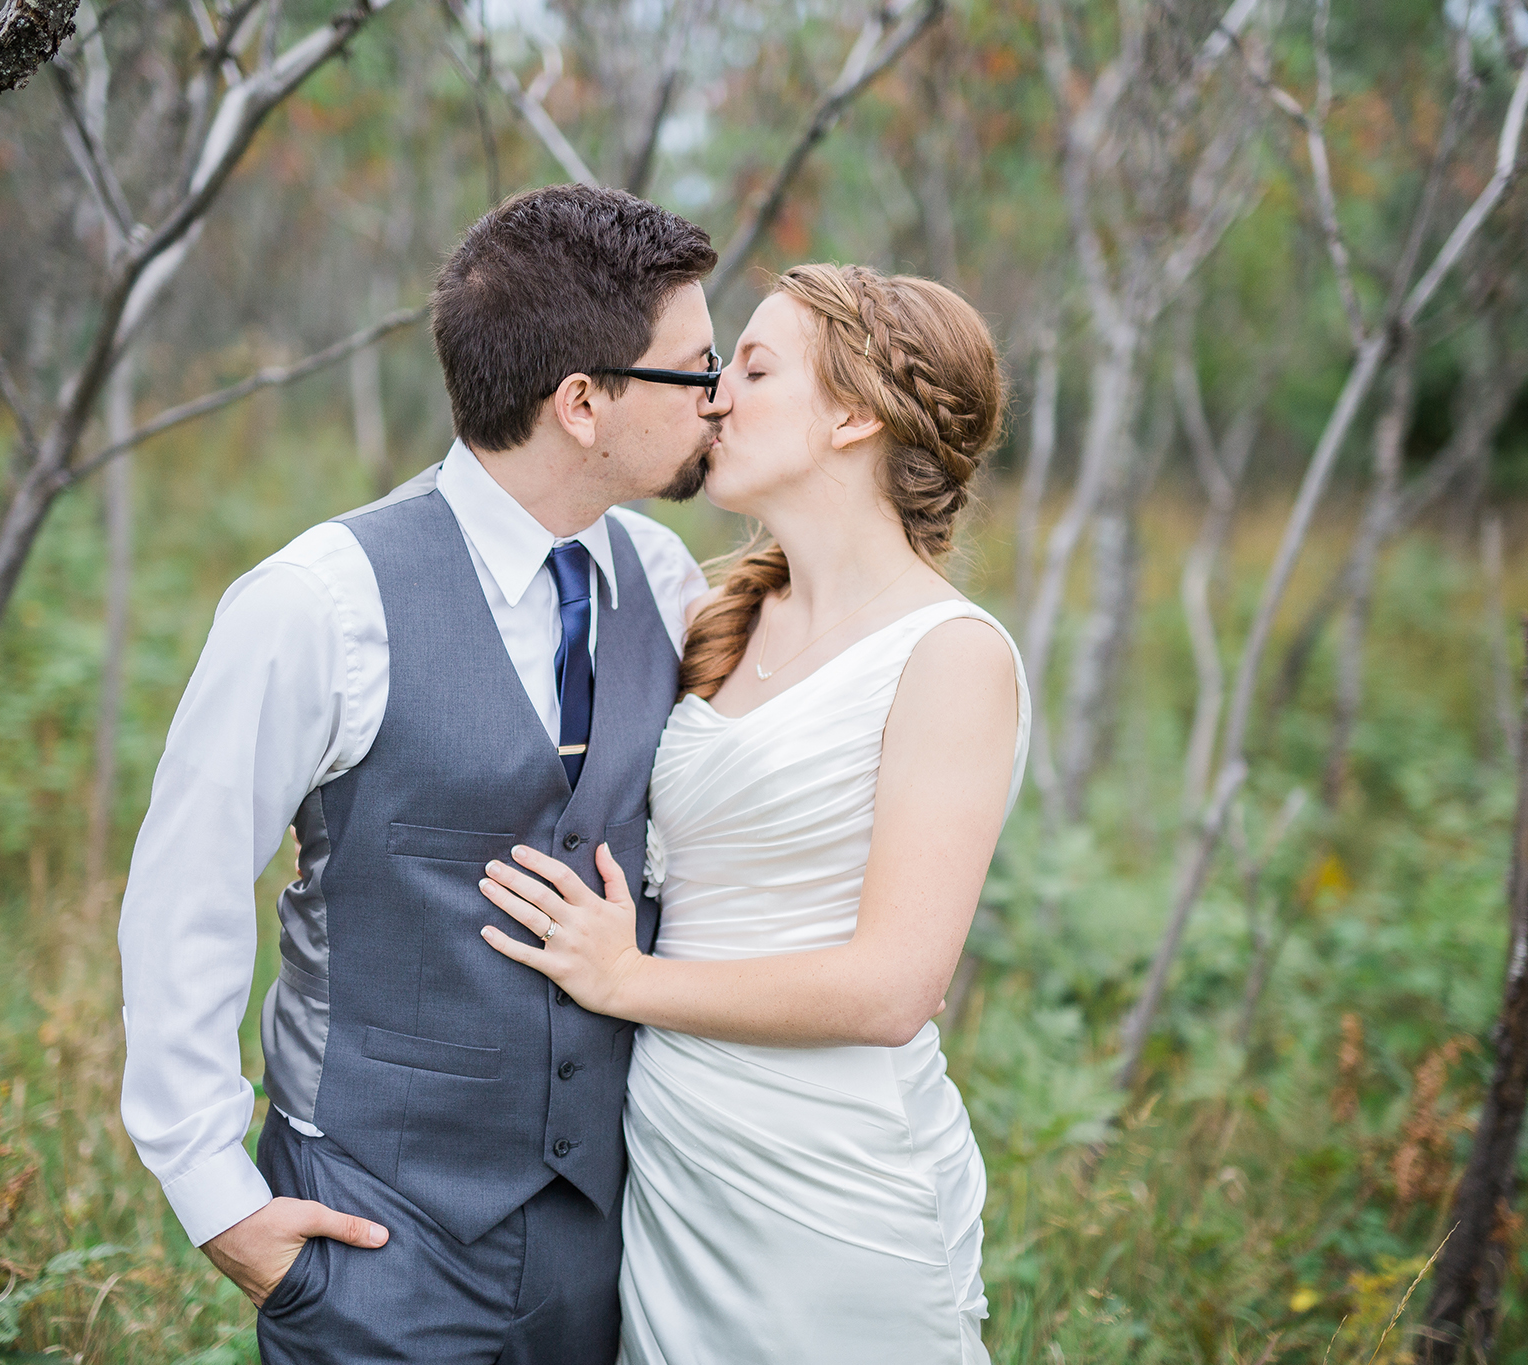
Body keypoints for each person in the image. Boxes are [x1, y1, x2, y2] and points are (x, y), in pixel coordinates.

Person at [116, 184, 722, 1364]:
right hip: (375, 1243)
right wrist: (217, 1198)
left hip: (608, 1240)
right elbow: (183, 894)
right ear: (583, 402)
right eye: (693, 371)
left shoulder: (662, 575)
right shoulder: (318, 603)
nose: (717, 401)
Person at [478, 263, 1026, 1364]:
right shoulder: (712, 612)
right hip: (676, 1165)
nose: (712, 394)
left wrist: (629, 982)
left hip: (827, 1178)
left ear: (856, 415)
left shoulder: (950, 656)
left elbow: (893, 987)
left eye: (754, 368)